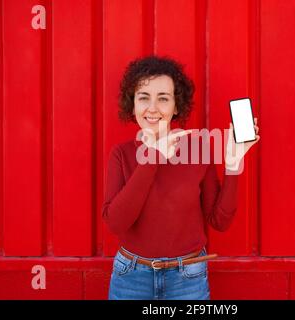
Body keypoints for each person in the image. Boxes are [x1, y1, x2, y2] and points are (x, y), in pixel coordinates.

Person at [102, 55, 260, 300]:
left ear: (176, 106)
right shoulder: (121, 155)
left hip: (188, 278)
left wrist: (233, 163)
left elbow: (219, 221)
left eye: (163, 98)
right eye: (143, 97)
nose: (152, 107)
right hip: (131, 277)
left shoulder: (198, 150)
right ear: (132, 105)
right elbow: (116, 223)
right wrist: (154, 157)